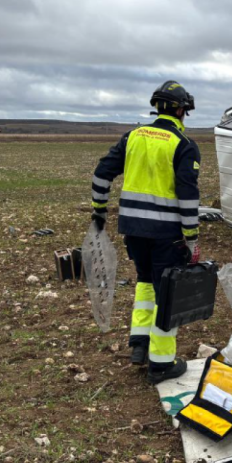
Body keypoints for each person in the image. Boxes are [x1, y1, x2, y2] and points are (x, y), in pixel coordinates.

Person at [90, 81, 200, 384]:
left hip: (134, 231)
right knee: (168, 295)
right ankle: (161, 364)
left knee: (146, 283)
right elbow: (187, 195)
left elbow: (101, 174)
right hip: (167, 235)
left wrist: (99, 210)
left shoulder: (133, 137)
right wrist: (192, 237)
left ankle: (140, 345)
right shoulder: (183, 144)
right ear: (180, 110)